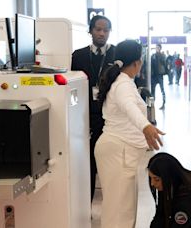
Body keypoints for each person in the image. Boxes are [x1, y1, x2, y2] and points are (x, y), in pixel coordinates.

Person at [95, 39, 164, 228]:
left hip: (120, 150)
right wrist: (146, 127)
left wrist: (143, 133)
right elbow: (129, 107)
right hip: (119, 151)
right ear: (137, 62)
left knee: (120, 209)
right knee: (120, 212)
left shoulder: (123, 82)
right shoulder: (123, 84)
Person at [71, 15, 116, 202]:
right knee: (87, 162)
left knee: (109, 162)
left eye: (106, 30)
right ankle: (85, 207)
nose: (102, 33)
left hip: (110, 116)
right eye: (98, 29)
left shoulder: (116, 54)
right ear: (90, 31)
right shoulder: (79, 55)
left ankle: (111, 204)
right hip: (85, 115)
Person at [151, 44, 167, 110]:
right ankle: (152, 104)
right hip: (154, 75)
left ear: (160, 48)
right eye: (156, 48)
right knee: (152, 90)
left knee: (162, 90)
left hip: (160, 75)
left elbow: (164, 63)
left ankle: (163, 103)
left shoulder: (162, 55)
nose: (156, 49)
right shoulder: (153, 55)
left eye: (158, 48)